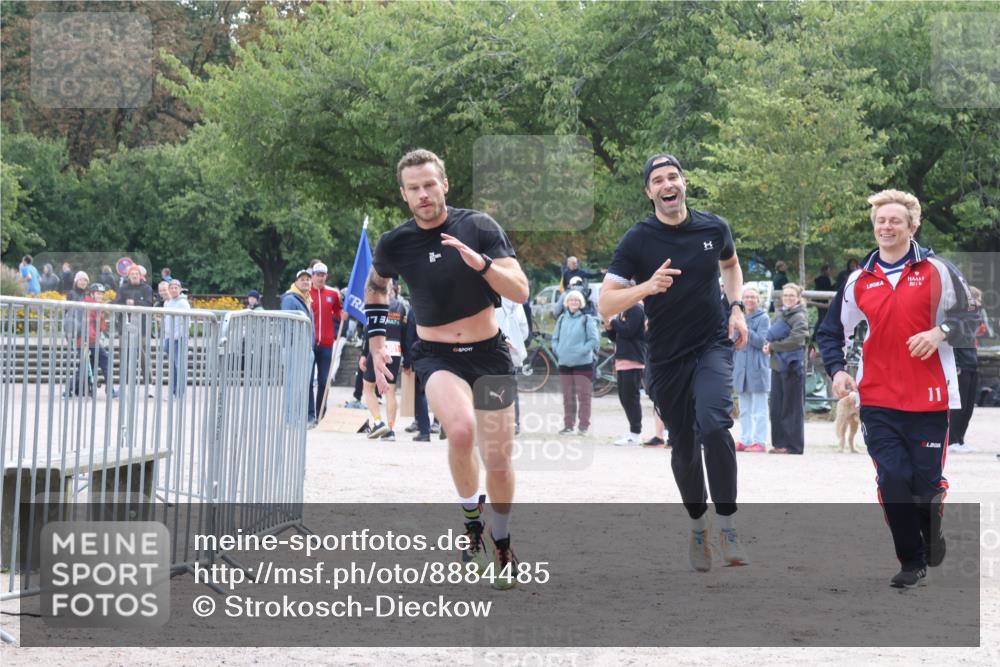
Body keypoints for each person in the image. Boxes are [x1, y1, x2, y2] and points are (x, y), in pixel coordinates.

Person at [366, 148, 528, 589]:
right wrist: (377, 342)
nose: (423, 194)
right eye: (414, 188)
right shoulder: (394, 242)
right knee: (459, 431)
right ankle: (472, 524)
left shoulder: (478, 227)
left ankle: (501, 538)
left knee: (497, 459)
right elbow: (376, 287)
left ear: (445, 184)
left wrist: (482, 263)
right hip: (436, 356)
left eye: (429, 184)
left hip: (490, 355)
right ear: (404, 194)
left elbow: (520, 290)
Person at [817, 189, 978, 588]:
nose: (886, 227)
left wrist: (940, 332)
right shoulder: (858, 280)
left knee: (924, 487)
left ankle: (932, 527)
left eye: (895, 221)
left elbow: (969, 317)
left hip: (930, 398)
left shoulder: (938, 270)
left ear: (912, 226)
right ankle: (912, 561)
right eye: (880, 221)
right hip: (878, 398)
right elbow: (831, 330)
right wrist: (838, 371)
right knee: (892, 478)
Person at [598, 152, 749, 572]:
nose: (668, 185)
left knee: (716, 424)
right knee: (683, 448)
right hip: (665, 357)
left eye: (674, 177)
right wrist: (646, 287)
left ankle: (728, 525)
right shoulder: (638, 240)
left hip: (712, 344)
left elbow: (731, 266)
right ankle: (699, 527)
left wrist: (736, 307)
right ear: (649, 192)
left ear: (684, 183)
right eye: (658, 180)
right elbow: (605, 302)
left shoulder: (713, 226)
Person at [763, 283, 809, 454]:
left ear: (798, 298)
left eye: (791, 295)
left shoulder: (800, 316)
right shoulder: (780, 314)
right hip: (777, 365)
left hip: (792, 367)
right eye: (786, 295)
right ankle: (780, 443)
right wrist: (769, 345)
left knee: (792, 407)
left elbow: (797, 340)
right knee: (777, 406)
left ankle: (793, 445)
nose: (788, 298)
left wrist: (774, 346)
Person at [362, 280, 406, 441]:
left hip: (379, 348)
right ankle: (391, 429)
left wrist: (364, 353)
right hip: (396, 349)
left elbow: (370, 330)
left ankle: (378, 423)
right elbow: (406, 332)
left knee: (368, 386)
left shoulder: (377, 302)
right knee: (390, 391)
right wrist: (406, 357)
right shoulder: (401, 306)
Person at [552, 290, 600, 436]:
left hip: (583, 363)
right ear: (567, 302)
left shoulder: (587, 319)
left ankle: (583, 426)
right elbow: (555, 338)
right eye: (571, 300)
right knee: (568, 397)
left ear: (580, 303)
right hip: (564, 363)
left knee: (584, 397)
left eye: (576, 300)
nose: (573, 302)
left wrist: (582, 350)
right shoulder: (561, 319)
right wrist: (558, 350)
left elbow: (594, 340)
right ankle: (568, 426)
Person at [733, 286, 770, 453]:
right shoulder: (737, 317)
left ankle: (759, 441)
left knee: (759, 409)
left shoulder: (763, 318)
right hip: (741, 367)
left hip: (757, 367)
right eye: (746, 297)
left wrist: (745, 329)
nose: (749, 300)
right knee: (745, 409)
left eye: (753, 297)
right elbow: (733, 340)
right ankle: (745, 439)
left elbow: (761, 341)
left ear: (758, 300)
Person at [948, 285, 984, 454]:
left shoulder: (972, 319)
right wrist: (955, 365)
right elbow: (952, 342)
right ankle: (952, 440)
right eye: (978, 301)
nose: (980, 304)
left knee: (969, 406)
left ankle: (960, 439)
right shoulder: (958, 318)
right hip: (961, 365)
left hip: (972, 364)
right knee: (959, 406)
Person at [605, 302, 647, 446]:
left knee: (631, 398)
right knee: (624, 397)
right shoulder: (622, 309)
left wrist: (614, 322)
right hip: (622, 359)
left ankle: (636, 434)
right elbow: (615, 336)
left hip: (633, 358)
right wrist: (609, 326)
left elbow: (628, 330)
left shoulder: (635, 309)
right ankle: (633, 432)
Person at [309, 262, 344, 423]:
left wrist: (342, 314)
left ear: (326, 276)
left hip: (327, 344)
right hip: (309, 344)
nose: (320, 277)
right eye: (318, 274)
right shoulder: (305, 292)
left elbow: (338, 310)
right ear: (312, 275)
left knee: (324, 381)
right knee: (308, 380)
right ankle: (309, 415)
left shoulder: (332, 293)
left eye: (323, 275)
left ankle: (320, 414)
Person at [115, 264, 157, 397]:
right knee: (124, 357)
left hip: (142, 328)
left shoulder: (147, 288)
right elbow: (117, 303)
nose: (134, 276)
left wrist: (135, 303)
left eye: (137, 274)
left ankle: (150, 386)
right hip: (125, 328)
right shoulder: (122, 288)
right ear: (128, 276)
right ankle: (123, 386)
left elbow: (149, 304)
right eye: (132, 274)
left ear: (141, 276)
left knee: (143, 357)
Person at [281, 269, 315, 422]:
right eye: (302, 279)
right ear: (295, 282)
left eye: (308, 279)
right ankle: (290, 418)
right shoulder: (290, 299)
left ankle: (295, 416)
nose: (306, 281)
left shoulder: (306, 298)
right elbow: (287, 326)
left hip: (305, 349)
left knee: (300, 387)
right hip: (295, 349)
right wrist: (294, 346)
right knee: (293, 386)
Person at [495, 295, 529, 434]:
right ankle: (515, 423)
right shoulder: (517, 304)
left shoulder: (491, 303)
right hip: (513, 353)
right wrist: (516, 340)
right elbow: (524, 331)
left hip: (495, 350)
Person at [163, 279, 192, 399]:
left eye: (176, 287)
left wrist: (177, 335)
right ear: (169, 289)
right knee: (173, 366)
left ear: (180, 289)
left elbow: (187, 322)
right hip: (170, 338)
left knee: (179, 365)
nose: (174, 289)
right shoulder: (168, 302)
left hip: (179, 338)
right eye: (172, 287)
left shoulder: (183, 303)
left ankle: (179, 393)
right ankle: (174, 391)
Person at [812, 264, 833, 338]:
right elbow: (827, 289)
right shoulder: (825, 279)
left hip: (818, 301)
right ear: (825, 271)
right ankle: (817, 335)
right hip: (823, 301)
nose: (829, 272)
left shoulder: (819, 279)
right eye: (828, 270)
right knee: (822, 318)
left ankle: (816, 335)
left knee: (821, 318)